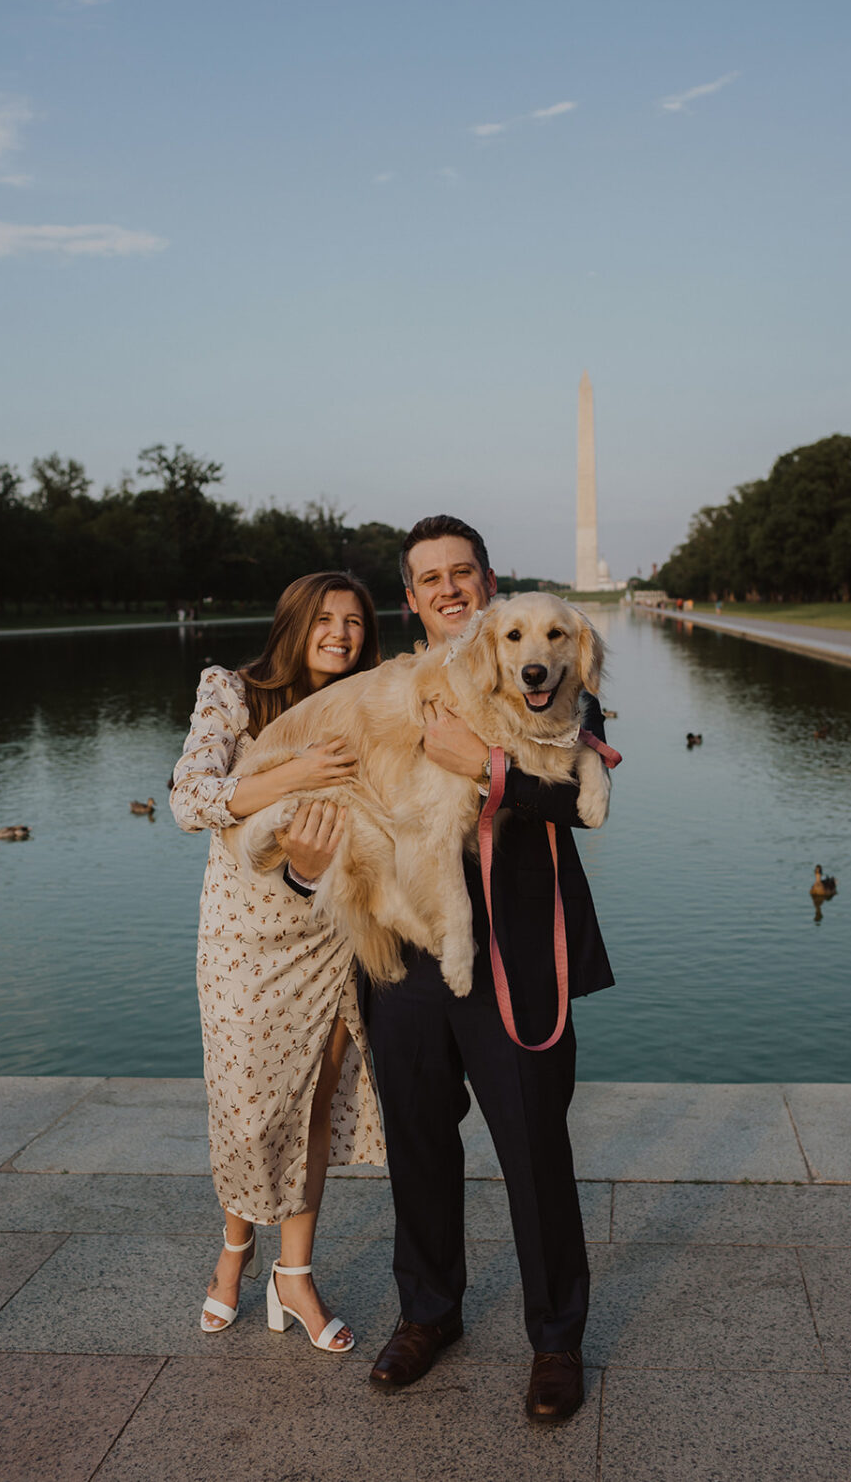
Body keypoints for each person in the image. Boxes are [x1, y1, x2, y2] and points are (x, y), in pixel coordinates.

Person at [365, 516, 615, 1421]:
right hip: (404, 949)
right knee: (417, 1139)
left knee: (532, 1144)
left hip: (517, 949)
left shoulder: (542, 670)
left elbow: (577, 803)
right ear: (411, 598)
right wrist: (303, 864)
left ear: (487, 581)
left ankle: (555, 1340)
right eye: (428, 577)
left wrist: (489, 767)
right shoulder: (387, 690)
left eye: (460, 571)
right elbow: (334, 798)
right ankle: (429, 1315)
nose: (446, 588)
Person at [170, 571, 386, 1351]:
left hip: (328, 933)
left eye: (356, 621)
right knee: (248, 1109)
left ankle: (293, 1273)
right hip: (241, 939)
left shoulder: (368, 705)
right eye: (325, 619)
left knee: (312, 1102)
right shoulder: (232, 692)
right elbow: (190, 801)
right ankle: (235, 1252)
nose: (341, 633)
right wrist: (291, 774)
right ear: (293, 623)